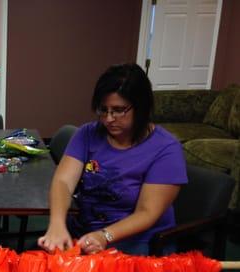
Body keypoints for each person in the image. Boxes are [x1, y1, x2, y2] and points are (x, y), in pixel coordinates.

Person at [38, 63, 187, 256]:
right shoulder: (87, 134)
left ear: (141, 107)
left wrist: (104, 236)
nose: (108, 118)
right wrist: (57, 224)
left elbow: (146, 213)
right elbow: (63, 182)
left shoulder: (166, 149)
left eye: (118, 110)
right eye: (103, 110)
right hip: (85, 234)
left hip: (135, 243)